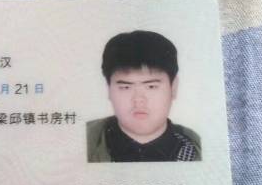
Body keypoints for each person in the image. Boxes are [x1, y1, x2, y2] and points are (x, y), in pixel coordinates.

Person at [86, 30, 201, 162]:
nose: (139, 100)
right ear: (109, 89)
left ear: (173, 88)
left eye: (151, 86)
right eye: (126, 87)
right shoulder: (80, 141)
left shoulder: (199, 150)